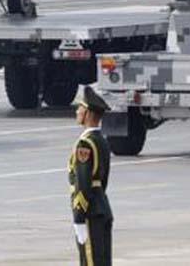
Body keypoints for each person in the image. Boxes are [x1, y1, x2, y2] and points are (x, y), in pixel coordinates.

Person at [69, 86, 113, 266]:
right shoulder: (101, 140)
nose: (77, 111)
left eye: (80, 108)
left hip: (90, 213)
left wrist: (79, 216)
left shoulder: (85, 143)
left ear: (87, 113)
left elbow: (83, 181)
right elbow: (103, 179)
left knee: (90, 261)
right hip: (101, 206)